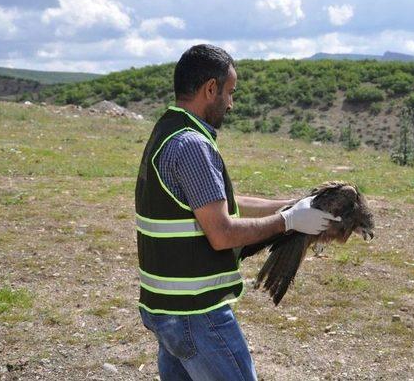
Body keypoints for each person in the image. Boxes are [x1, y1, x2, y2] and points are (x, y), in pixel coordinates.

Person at [135, 44, 339, 381]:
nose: (231, 103)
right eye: (229, 92)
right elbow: (222, 233)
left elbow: (218, 203)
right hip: (196, 313)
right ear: (210, 88)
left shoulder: (168, 131)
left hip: (165, 309)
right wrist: (286, 222)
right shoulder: (192, 146)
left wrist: (293, 205)